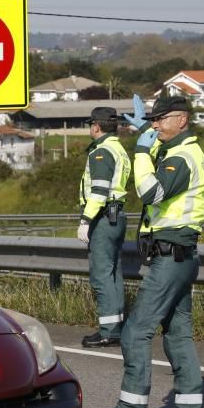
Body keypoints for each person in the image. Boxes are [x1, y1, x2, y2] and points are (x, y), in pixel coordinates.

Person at [89, 94, 204, 408]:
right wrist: (144, 131)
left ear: (181, 120)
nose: (155, 125)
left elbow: (151, 192)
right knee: (177, 334)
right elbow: (158, 154)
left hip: (172, 258)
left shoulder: (182, 158)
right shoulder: (177, 151)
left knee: (135, 332)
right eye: (152, 120)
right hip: (179, 255)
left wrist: (141, 150)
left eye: (160, 119)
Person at [77, 106, 131, 348]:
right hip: (117, 217)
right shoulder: (119, 149)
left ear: (96, 126)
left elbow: (99, 191)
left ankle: (109, 330)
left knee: (101, 276)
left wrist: (85, 221)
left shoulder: (101, 153)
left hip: (102, 218)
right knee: (113, 274)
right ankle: (117, 326)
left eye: (91, 124)